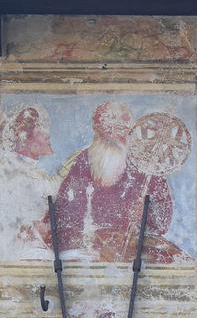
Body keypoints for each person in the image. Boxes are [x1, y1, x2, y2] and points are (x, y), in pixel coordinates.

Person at [49, 101, 172, 257]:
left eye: (122, 130)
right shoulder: (85, 162)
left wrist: (146, 213)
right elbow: (66, 213)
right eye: (110, 129)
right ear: (99, 132)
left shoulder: (146, 166)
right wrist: (91, 242)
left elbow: (161, 221)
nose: (117, 136)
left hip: (133, 248)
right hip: (91, 247)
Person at [0, 105, 59, 258]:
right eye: (40, 128)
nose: (47, 135)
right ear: (26, 138)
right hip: (24, 251)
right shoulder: (12, 171)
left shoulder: (35, 172)